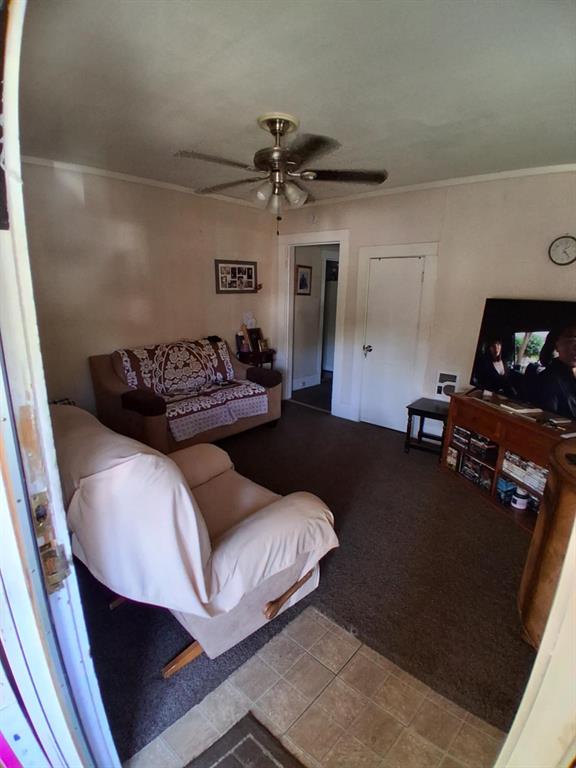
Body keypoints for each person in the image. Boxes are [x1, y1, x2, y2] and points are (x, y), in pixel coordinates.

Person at [534, 325, 576, 419]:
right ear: (556, 345)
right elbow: (549, 421)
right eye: (571, 341)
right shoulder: (550, 379)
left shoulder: (570, 374)